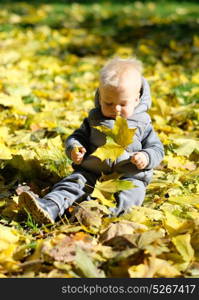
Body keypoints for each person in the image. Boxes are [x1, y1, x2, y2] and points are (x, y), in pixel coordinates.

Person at [19, 57, 164, 224]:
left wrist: (146, 157)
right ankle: (49, 207)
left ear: (136, 100)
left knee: (132, 194)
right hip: (92, 172)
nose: (116, 109)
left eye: (123, 104)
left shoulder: (143, 123)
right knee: (71, 184)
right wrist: (75, 147)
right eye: (108, 103)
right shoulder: (95, 119)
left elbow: (157, 148)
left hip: (129, 175)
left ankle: (109, 218)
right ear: (100, 97)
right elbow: (77, 136)